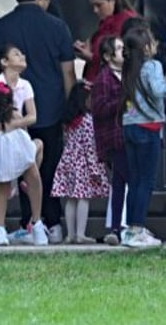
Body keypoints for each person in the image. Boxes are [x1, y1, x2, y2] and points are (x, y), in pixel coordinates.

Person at [0, 0, 76, 243]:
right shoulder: (58, 27)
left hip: (10, 114)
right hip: (49, 110)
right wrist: (72, 112)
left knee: (19, 167)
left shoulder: (0, 27)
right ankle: (51, 221)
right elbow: (68, 73)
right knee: (47, 169)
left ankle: (27, 222)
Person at [119, 27, 166, 248]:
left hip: (129, 125)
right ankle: (137, 229)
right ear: (146, 47)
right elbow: (159, 91)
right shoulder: (153, 65)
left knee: (135, 180)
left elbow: (150, 89)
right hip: (148, 127)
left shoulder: (129, 67)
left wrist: (164, 82)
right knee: (146, 182)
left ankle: (130, 228)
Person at [0, 81, 46, 247]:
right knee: (34, 177)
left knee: (1, 188)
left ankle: (0, 229)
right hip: (19, 151)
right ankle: (37, 224)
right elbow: (24, 133)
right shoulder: (15, 115)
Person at [51, 81, 109, 244]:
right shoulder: (88, 121)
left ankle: (70, 234)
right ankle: (80, 234)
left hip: (68, 161)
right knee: (83, 198)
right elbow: (90, 145)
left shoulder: (69, 121)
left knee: (71, 199)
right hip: (83, 163)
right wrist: (95, 169)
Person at [90, 36, 127, 245]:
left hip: (124, 135)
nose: (124, 52)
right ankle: (119, 226)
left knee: (121, 182)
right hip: (113, 137)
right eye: (120, 48)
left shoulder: (126, 76)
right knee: (123, 179)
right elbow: (100, 108)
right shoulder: (104, 79)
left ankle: (118, 226)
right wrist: (123, 100)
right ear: (107, 55)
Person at [74, 0, 137, 81]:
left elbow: (123, 60)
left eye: (99, 5)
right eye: (93, 6)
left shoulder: (126, 23)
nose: (95, 10)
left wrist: (91, 57)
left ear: (112, 0)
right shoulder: (105, 24)